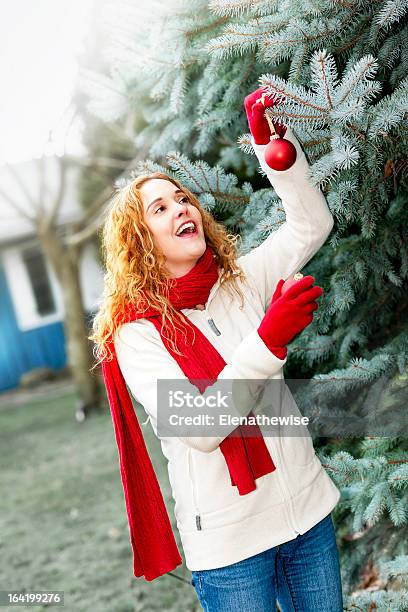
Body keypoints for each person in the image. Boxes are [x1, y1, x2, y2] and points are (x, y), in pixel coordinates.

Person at [91, 87, 343, 611]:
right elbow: (200, 425)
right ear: (139, 241)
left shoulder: (239, 282)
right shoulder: (138, 332)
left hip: (307, 516)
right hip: (232, 550)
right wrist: (268, 340)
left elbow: (311, 226)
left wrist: (278, 152)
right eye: (159, 208)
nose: (182, 208)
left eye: (182, 198)